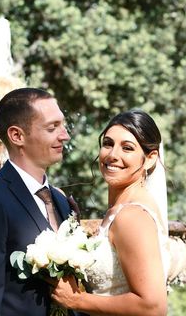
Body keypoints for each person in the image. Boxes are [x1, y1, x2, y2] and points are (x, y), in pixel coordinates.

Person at [0, 87, 79, 316]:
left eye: (62, 125)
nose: (65, 135)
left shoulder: (61, 202)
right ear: (17, 136)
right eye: (52, 128)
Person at [50, 109, 169, 316]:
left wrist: (77, 300)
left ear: (150, 159)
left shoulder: (131, 216)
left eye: (127, 148)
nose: (113, 155)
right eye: (108, 144)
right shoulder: (120, 210)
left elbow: (153, 307)